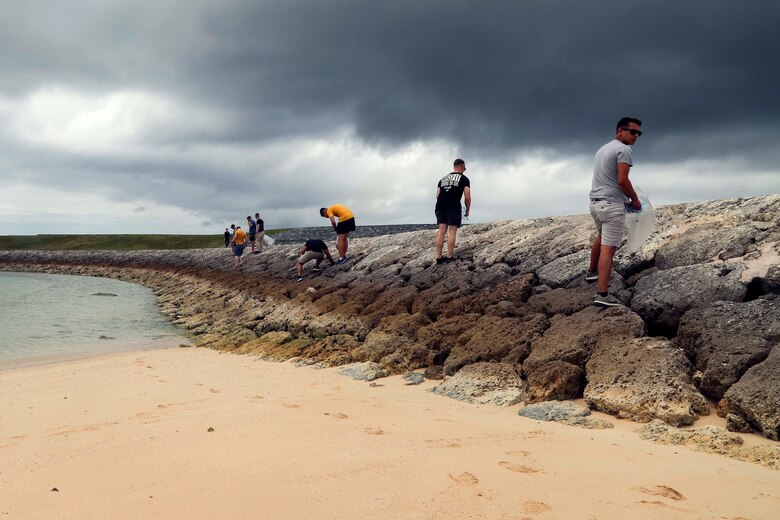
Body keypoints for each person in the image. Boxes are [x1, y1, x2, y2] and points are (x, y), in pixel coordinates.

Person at [587, 117, 643, 307]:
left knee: (602, 236)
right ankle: (602, 295)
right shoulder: (624, 149)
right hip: (611, 205)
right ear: (620, 131)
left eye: (639, 133)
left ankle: (591, 272)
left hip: (595, 203)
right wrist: (634, 200)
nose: (636, 136)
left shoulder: (603, 149)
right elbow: (622, 180)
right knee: (608, 249)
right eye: (632, 132)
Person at [435, 158, 471, 263]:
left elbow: (437, 195)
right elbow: (467, 197)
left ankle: (439, 257)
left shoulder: (442, 179)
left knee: (441, 231)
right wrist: (467, 210)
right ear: (461, 166)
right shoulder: (464, 179)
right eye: (464, 167)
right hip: (453, 204)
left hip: (440, 204)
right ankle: (449, 256)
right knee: (452, 230)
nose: (465, 169)